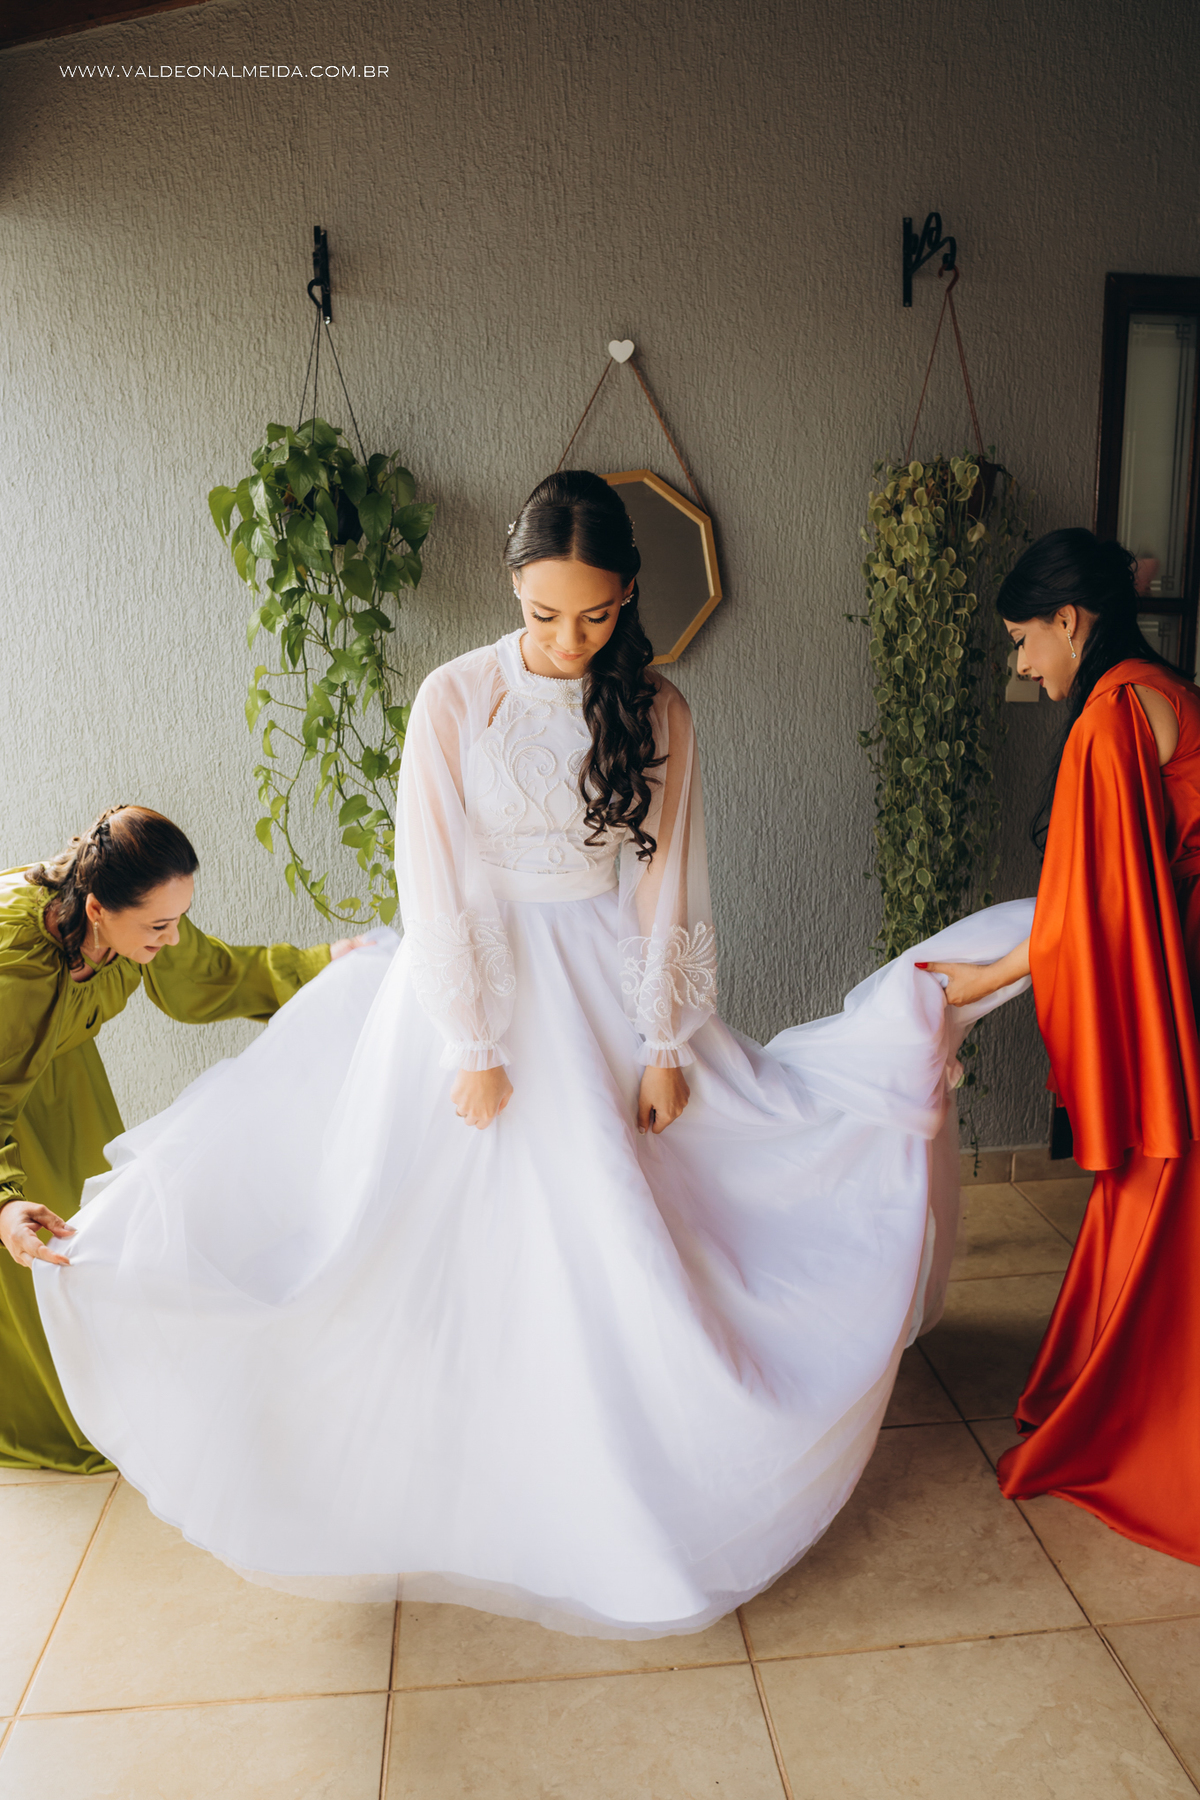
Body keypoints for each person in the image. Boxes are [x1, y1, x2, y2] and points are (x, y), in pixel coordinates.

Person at [30, 473, 1030, 1636]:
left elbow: (671, 879)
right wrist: (472, 1038)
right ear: (514, 588)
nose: (569, 640)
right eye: (547, 613)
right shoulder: (458, 698)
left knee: (632, 1234)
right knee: (422, 1241)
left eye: (596, 617)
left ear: (629, 598)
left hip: (610, 984)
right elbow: (433, 871)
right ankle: (461, 1472)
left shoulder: (662, 709)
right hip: (475, 989)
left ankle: (632, 1490)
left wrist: (665, 1043)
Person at [924, 527, 1200, 1566]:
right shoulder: (1160, 688)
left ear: (1070, 621)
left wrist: (983, 981)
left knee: (1163, 1187)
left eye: (1023, 641)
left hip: (1191, 992)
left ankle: (1150, 1428)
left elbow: (1087, 911)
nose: (1020, 664)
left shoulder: (1109, 720)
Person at [0, 805, 359, 1472]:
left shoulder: (123, 922)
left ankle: (102, 1393)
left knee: (82, 1238)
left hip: (50, 1074)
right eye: (158, 925)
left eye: (178, 919)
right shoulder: (13, 971)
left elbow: (205, 973)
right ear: (99, 909)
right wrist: (3, 1201)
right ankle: (46, 1415)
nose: (170, 939)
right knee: (23, 1264)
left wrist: (322, 965)